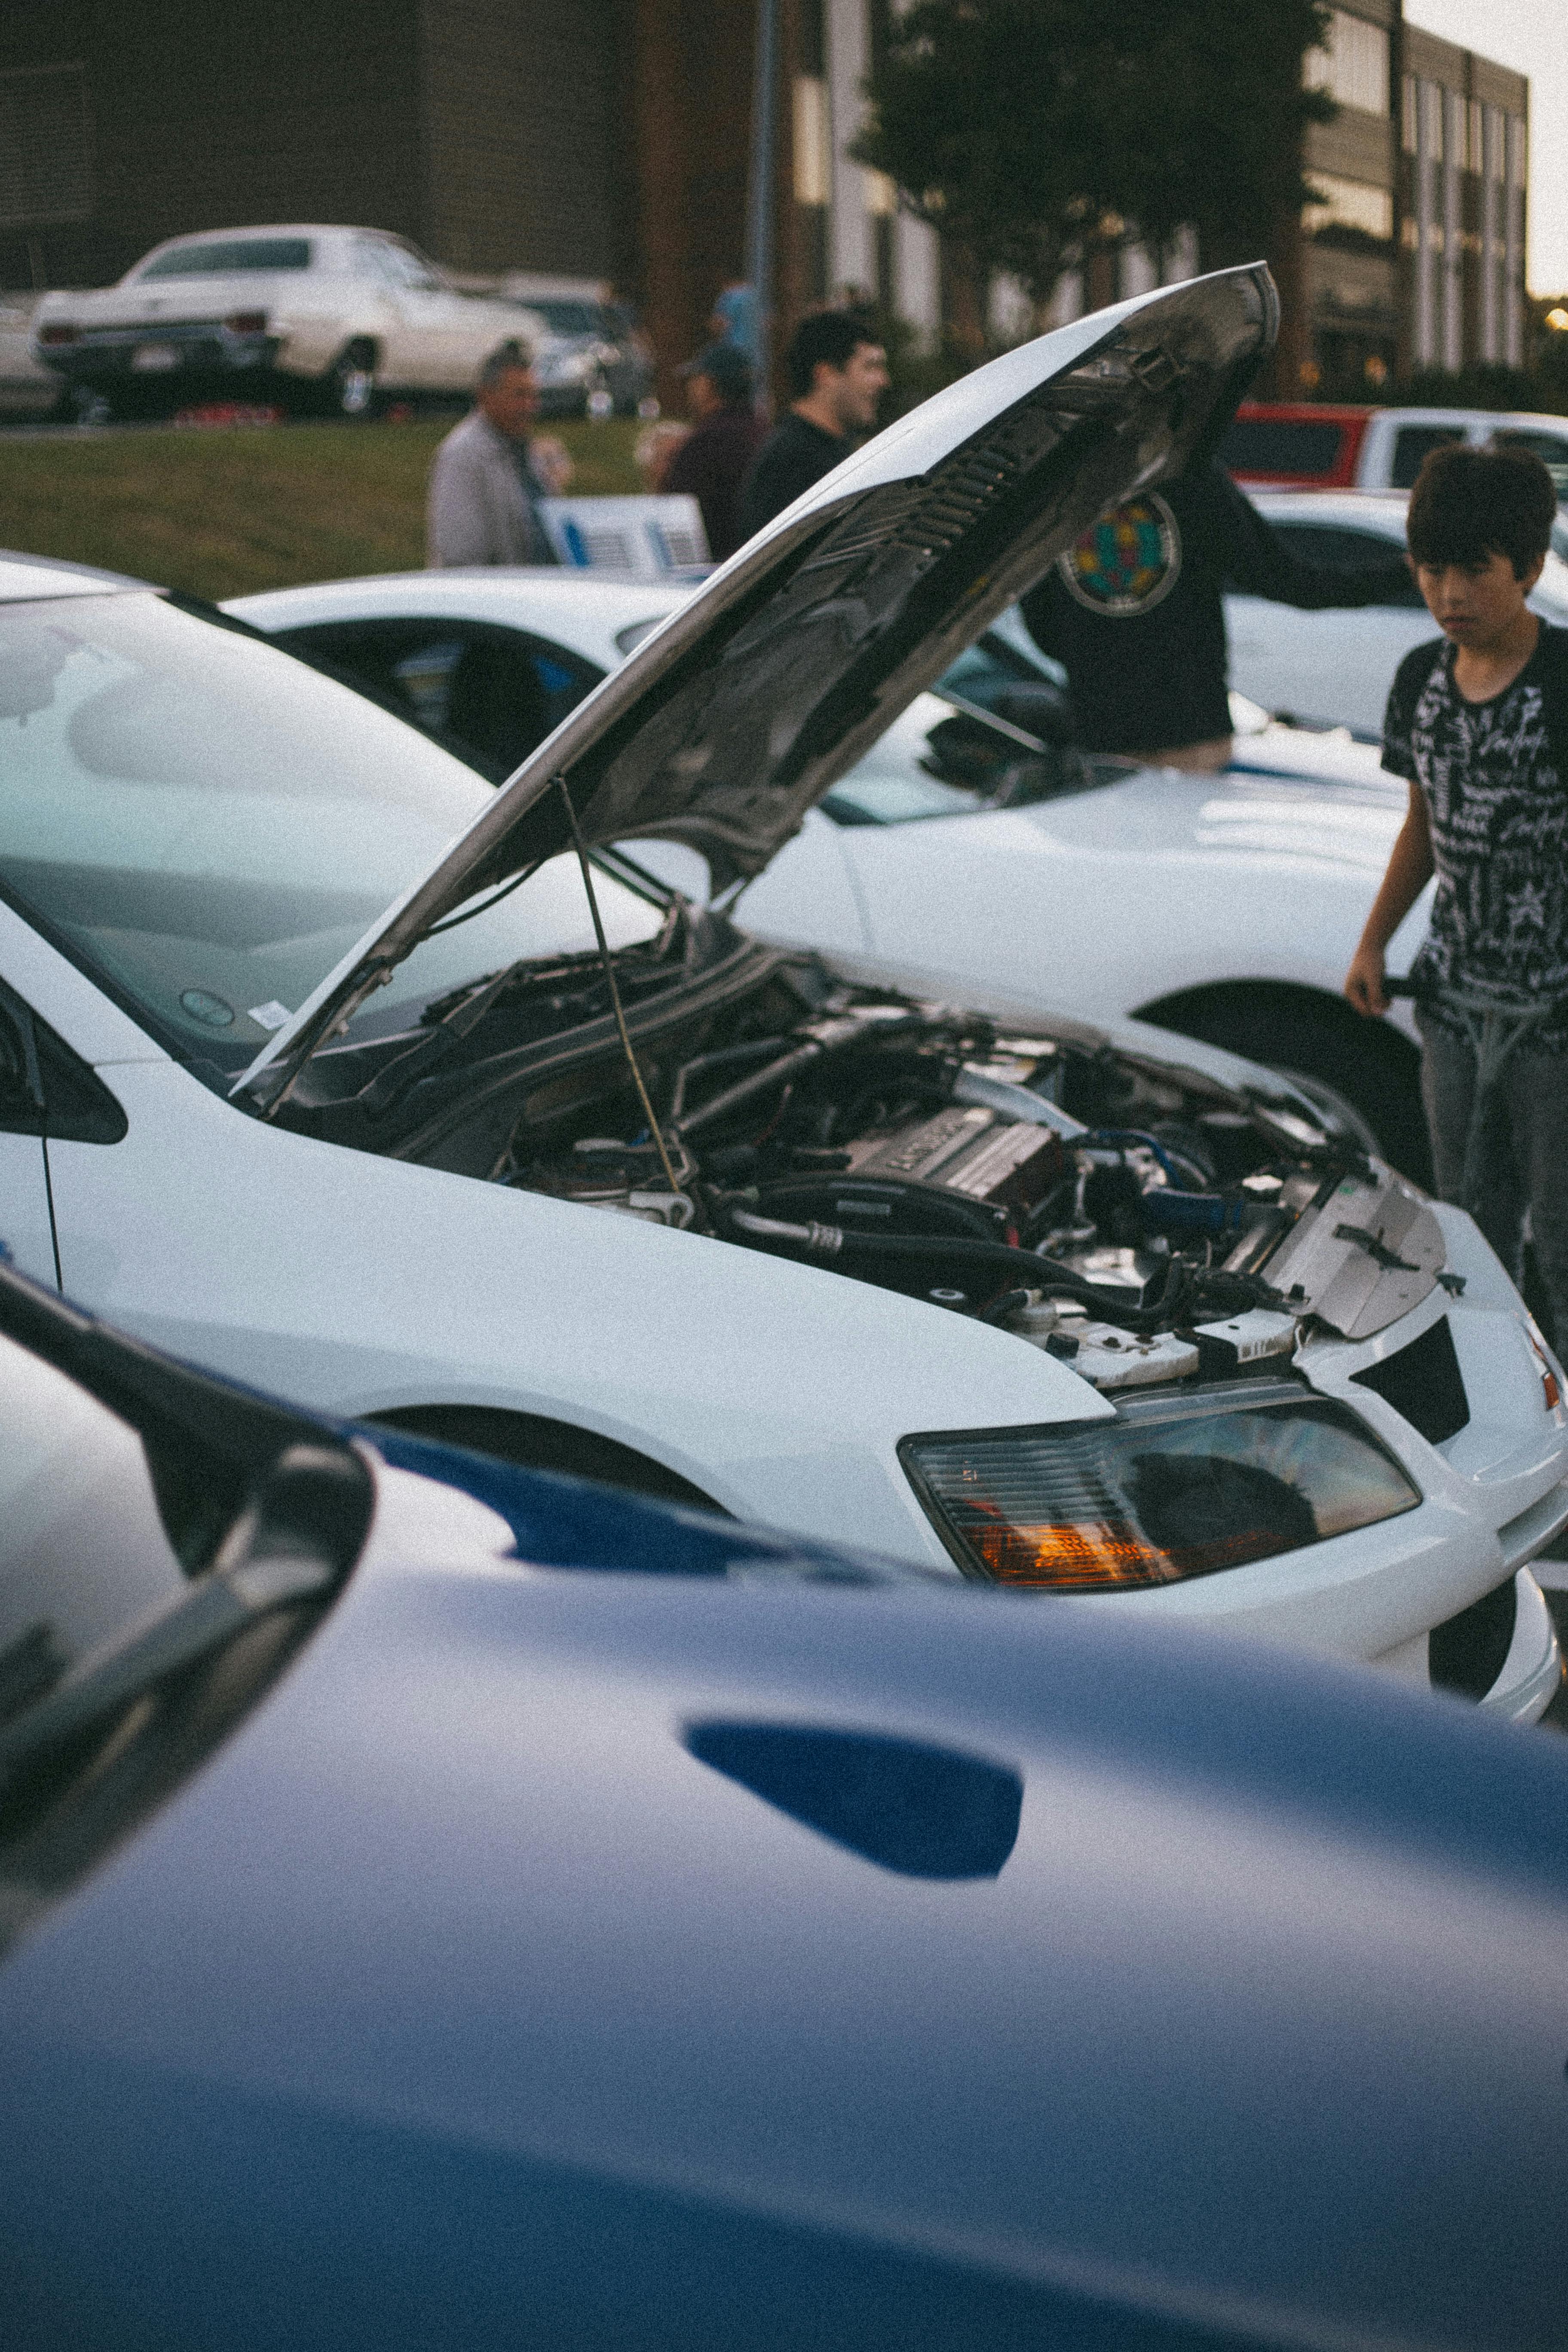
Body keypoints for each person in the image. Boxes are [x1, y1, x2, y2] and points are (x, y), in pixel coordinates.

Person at [1345, 443, 1568, 1342]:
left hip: (1554, 1019)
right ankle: (1507, 1393)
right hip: (1453, 1005)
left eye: (1474, 571)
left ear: (1531, 566)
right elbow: (1423, 825)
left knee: (1558, 1229)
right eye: (1432, 570)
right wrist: (1373, 944)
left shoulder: (1561, 681)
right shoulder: (1420, 681)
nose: (1450, 596)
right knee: (1467, 1222)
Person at [1018, 460, 1412, 770]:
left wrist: (1100, 657)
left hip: (1102, 738)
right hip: (1193, 733)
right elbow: (1292, 581)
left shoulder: (1053, 486)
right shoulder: (1190, 476)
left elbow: (1043, 625)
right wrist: (1406, 571)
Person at [738, 311, 890, 540]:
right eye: (870, 367)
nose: (883, 381)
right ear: (826, 374)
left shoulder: (826, 450)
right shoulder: (794, 462)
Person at [427, 340, 565, 568]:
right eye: (520, 395)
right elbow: (460, 555)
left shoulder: (521, 449)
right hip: (490, 598)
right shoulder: (463, 456)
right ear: (485, 396)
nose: (530, 406)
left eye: (534, 396)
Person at [660, 343, 764, 561]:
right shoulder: (765, 432)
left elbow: (675, 517)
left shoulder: (705, 443)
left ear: (707, 385)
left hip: (716, 571)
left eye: (694, 379)